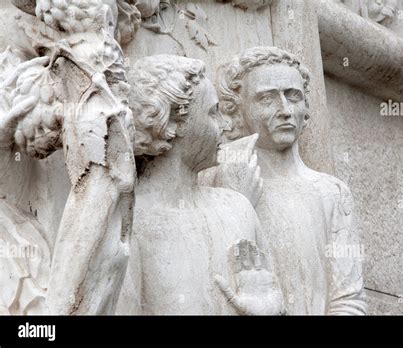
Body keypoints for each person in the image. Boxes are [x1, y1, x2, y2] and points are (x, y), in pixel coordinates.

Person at [117, 54, 284, 315]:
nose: (225, 124)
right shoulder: (131, 222)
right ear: (172, 123)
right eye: (212, 112)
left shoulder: (237, 208)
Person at [218, 46, 367, 315]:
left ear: (306, 107)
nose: (285, 110)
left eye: (293, 96)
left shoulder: (332, 193)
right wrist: (236, 203)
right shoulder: (217, 180)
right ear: (237, 110)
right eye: (266, 99)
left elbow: (348, 300)